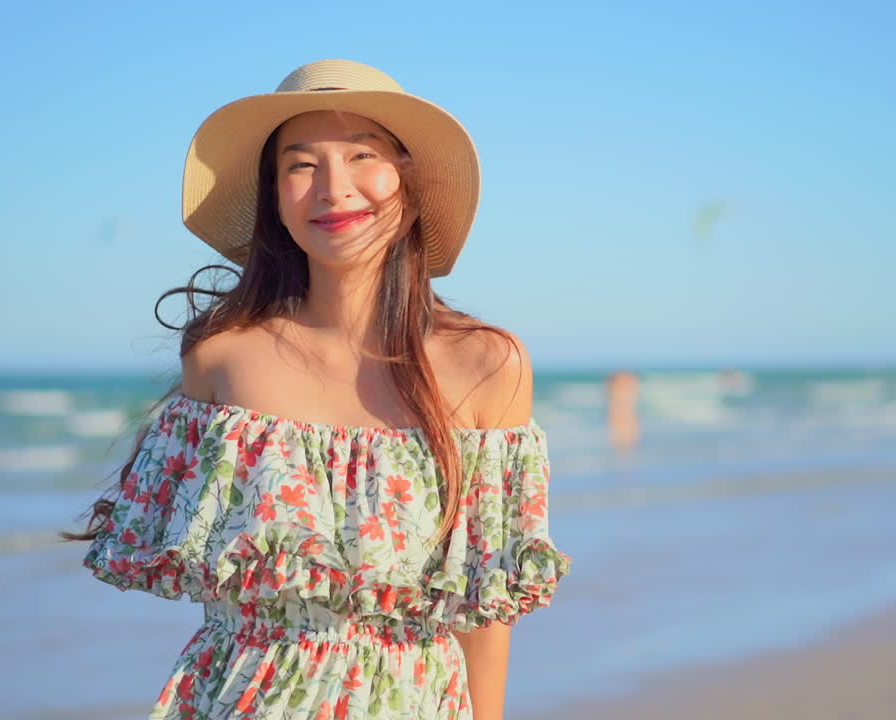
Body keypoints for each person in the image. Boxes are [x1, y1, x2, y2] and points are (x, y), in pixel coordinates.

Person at [61, 59, 572, 720]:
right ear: (274, 197)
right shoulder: (221, 359)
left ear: (410, 185)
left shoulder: (487, 363)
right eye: (301, 165)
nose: (334, 188)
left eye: (364, 154)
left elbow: (486, 606)